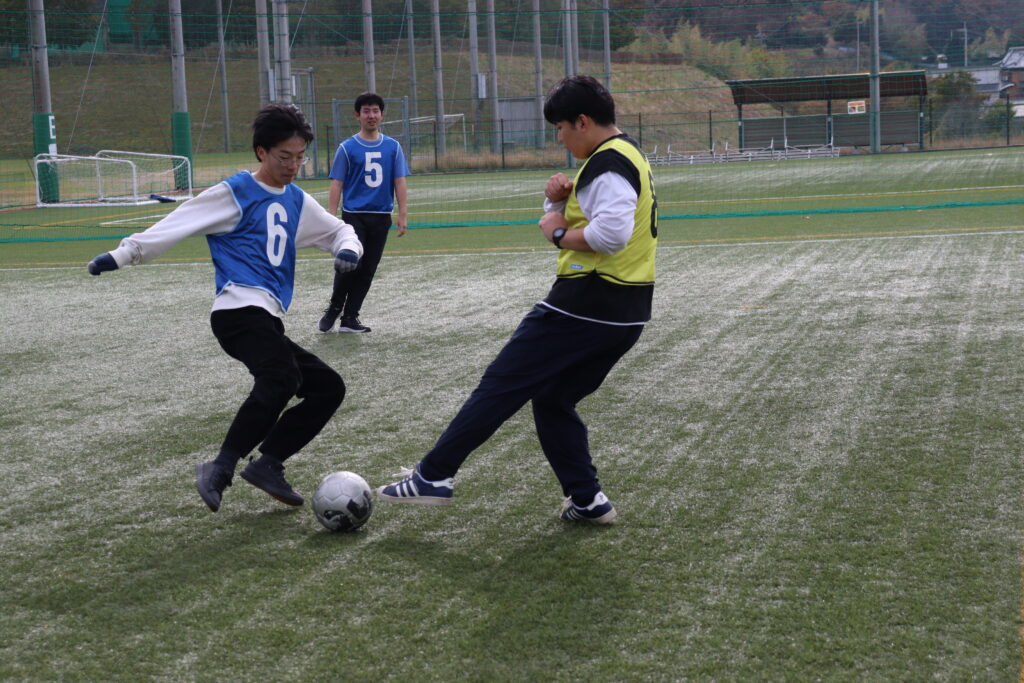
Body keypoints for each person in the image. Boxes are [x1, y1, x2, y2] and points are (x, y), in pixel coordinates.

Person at [377, 75, 658, 524]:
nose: (560, 139)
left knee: (501, 382)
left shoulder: (608, 162)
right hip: (626, 313)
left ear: (583, 121)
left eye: (562, 128)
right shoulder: (628, 155)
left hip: (585, 303)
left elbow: (611, 234)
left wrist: (557, 230)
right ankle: (587, 500)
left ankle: (435, 474)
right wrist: (556, 205)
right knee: (552, 398)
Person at [86, 103, 364, 513]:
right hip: (237, 312)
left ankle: (268, 463)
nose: (293, 165)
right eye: (284, 156)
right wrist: (123, 254)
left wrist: (347, 248)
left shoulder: (296, 200)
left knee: (327, 388)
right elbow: (181, 221)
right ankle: (221, 467)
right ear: (261, 152)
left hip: (266, 317)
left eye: (299, 157)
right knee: (281, 378)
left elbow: (339, 228)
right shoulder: (234, 192)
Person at [318, 91, 410, 333]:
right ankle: (334, 308)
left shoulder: (393, 147)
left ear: (382, 115)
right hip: (354, 216)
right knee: (349, 264)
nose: (372, 115)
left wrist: (402, 214)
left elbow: (399, 181)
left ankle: (350, 318)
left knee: (368, 269)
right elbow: (337, 183)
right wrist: (330, 215)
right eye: (366, 111)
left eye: (376, 111)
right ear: (357, 115)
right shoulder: (347, 148)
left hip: (381, 217)